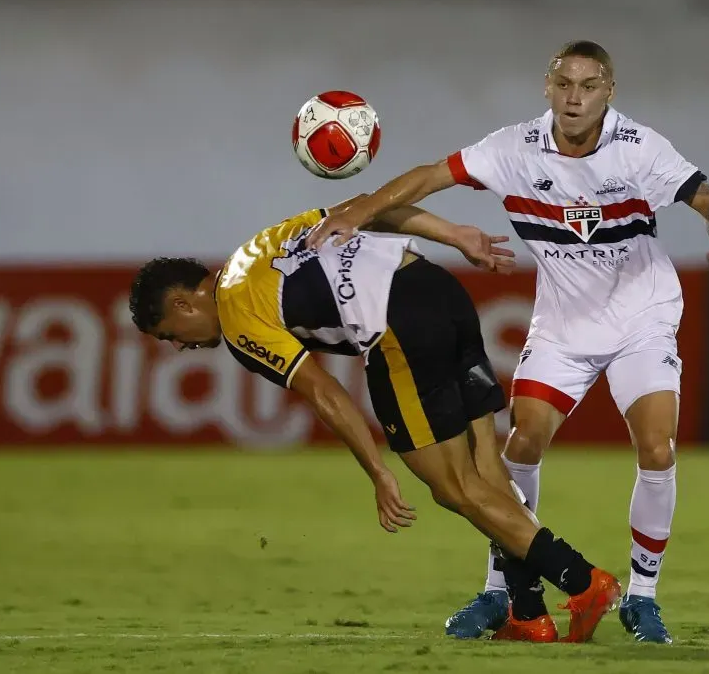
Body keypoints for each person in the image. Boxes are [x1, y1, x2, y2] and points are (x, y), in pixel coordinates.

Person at [306, 40, 709, 643]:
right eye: (564, 83)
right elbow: (430, 176)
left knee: (657, 449)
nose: (574, 97)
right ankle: (505, 593)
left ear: (608, 93)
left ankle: (643, 598)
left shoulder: (639, 148)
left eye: (588, 86)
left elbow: (708, 197)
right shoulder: (514, 148)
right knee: (518, 448)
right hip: (563, 326)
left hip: (641, 316)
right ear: (548, 86)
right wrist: (357, 213)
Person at [127, 199, 622, 643]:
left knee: (454, 488)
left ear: (183, 303)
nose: (179, 347)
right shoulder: (258, 247)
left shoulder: (237, 318)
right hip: (440, 289)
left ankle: (583, 581)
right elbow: (370, 207)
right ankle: (529, 615)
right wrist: (453, 234)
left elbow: (324, 393)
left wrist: (378, 472)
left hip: (398, 327)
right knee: (487, 477)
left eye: (170, 334)